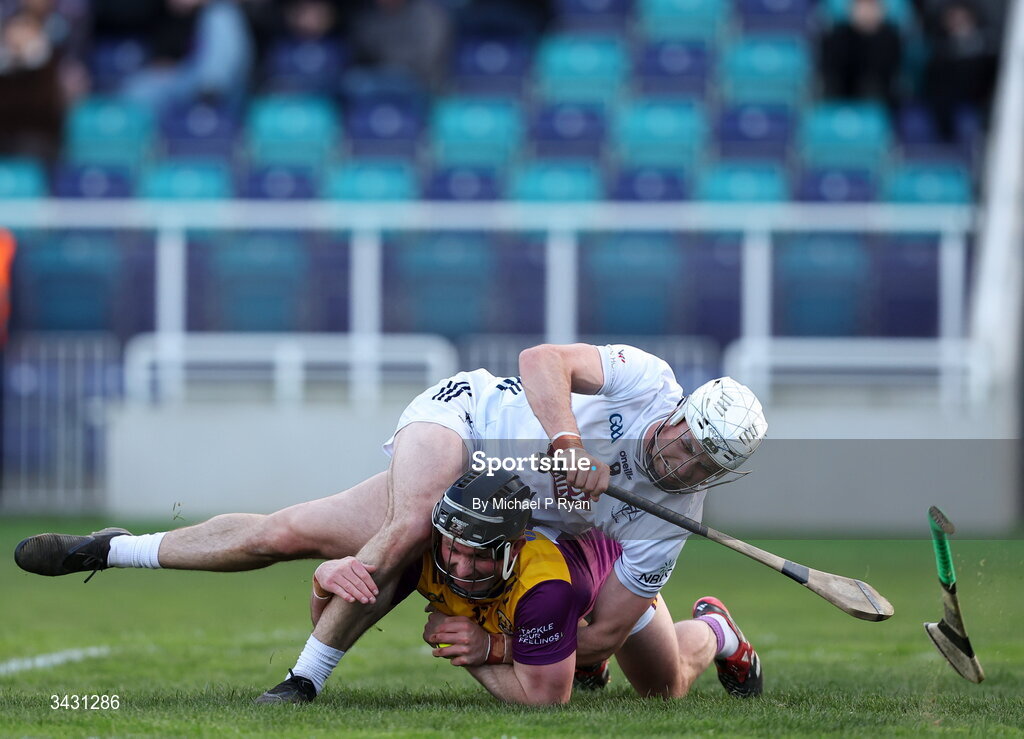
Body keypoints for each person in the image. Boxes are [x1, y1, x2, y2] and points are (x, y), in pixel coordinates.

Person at [15, 343, 768, 698]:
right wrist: (569, 441)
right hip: (471, 427)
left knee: (664, 686)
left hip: (533, 532)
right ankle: (291, 668)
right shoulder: (649, 380)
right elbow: (541, 359)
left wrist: (499, 641)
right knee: (363, 530)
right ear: (680, 412)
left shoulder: (674, 514)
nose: (684, 462)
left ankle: (717, 634)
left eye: (706, 463)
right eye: (686, 440)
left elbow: (600, 632)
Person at [257, 468, 761, 704]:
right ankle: (569, 652)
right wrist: (327, 583)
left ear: (513, 548)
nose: (458, 563)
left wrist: (479, 649)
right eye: (452, 546)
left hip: (603, 588)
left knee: (664, 690)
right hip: (541, 616)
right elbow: (331, 625)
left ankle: (717, 631)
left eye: (478, 554)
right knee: (548, 648)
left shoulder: (545, 583)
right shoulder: (423, 550)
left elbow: (545, 701)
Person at [820, 0, 905, 112]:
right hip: (843, 96)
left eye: (871, 6)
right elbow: (833, 72)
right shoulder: (836, 37)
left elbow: (889, 73)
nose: (866, 11)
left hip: (880, 100)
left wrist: (871, 36)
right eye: (861, 6)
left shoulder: (891, 38)